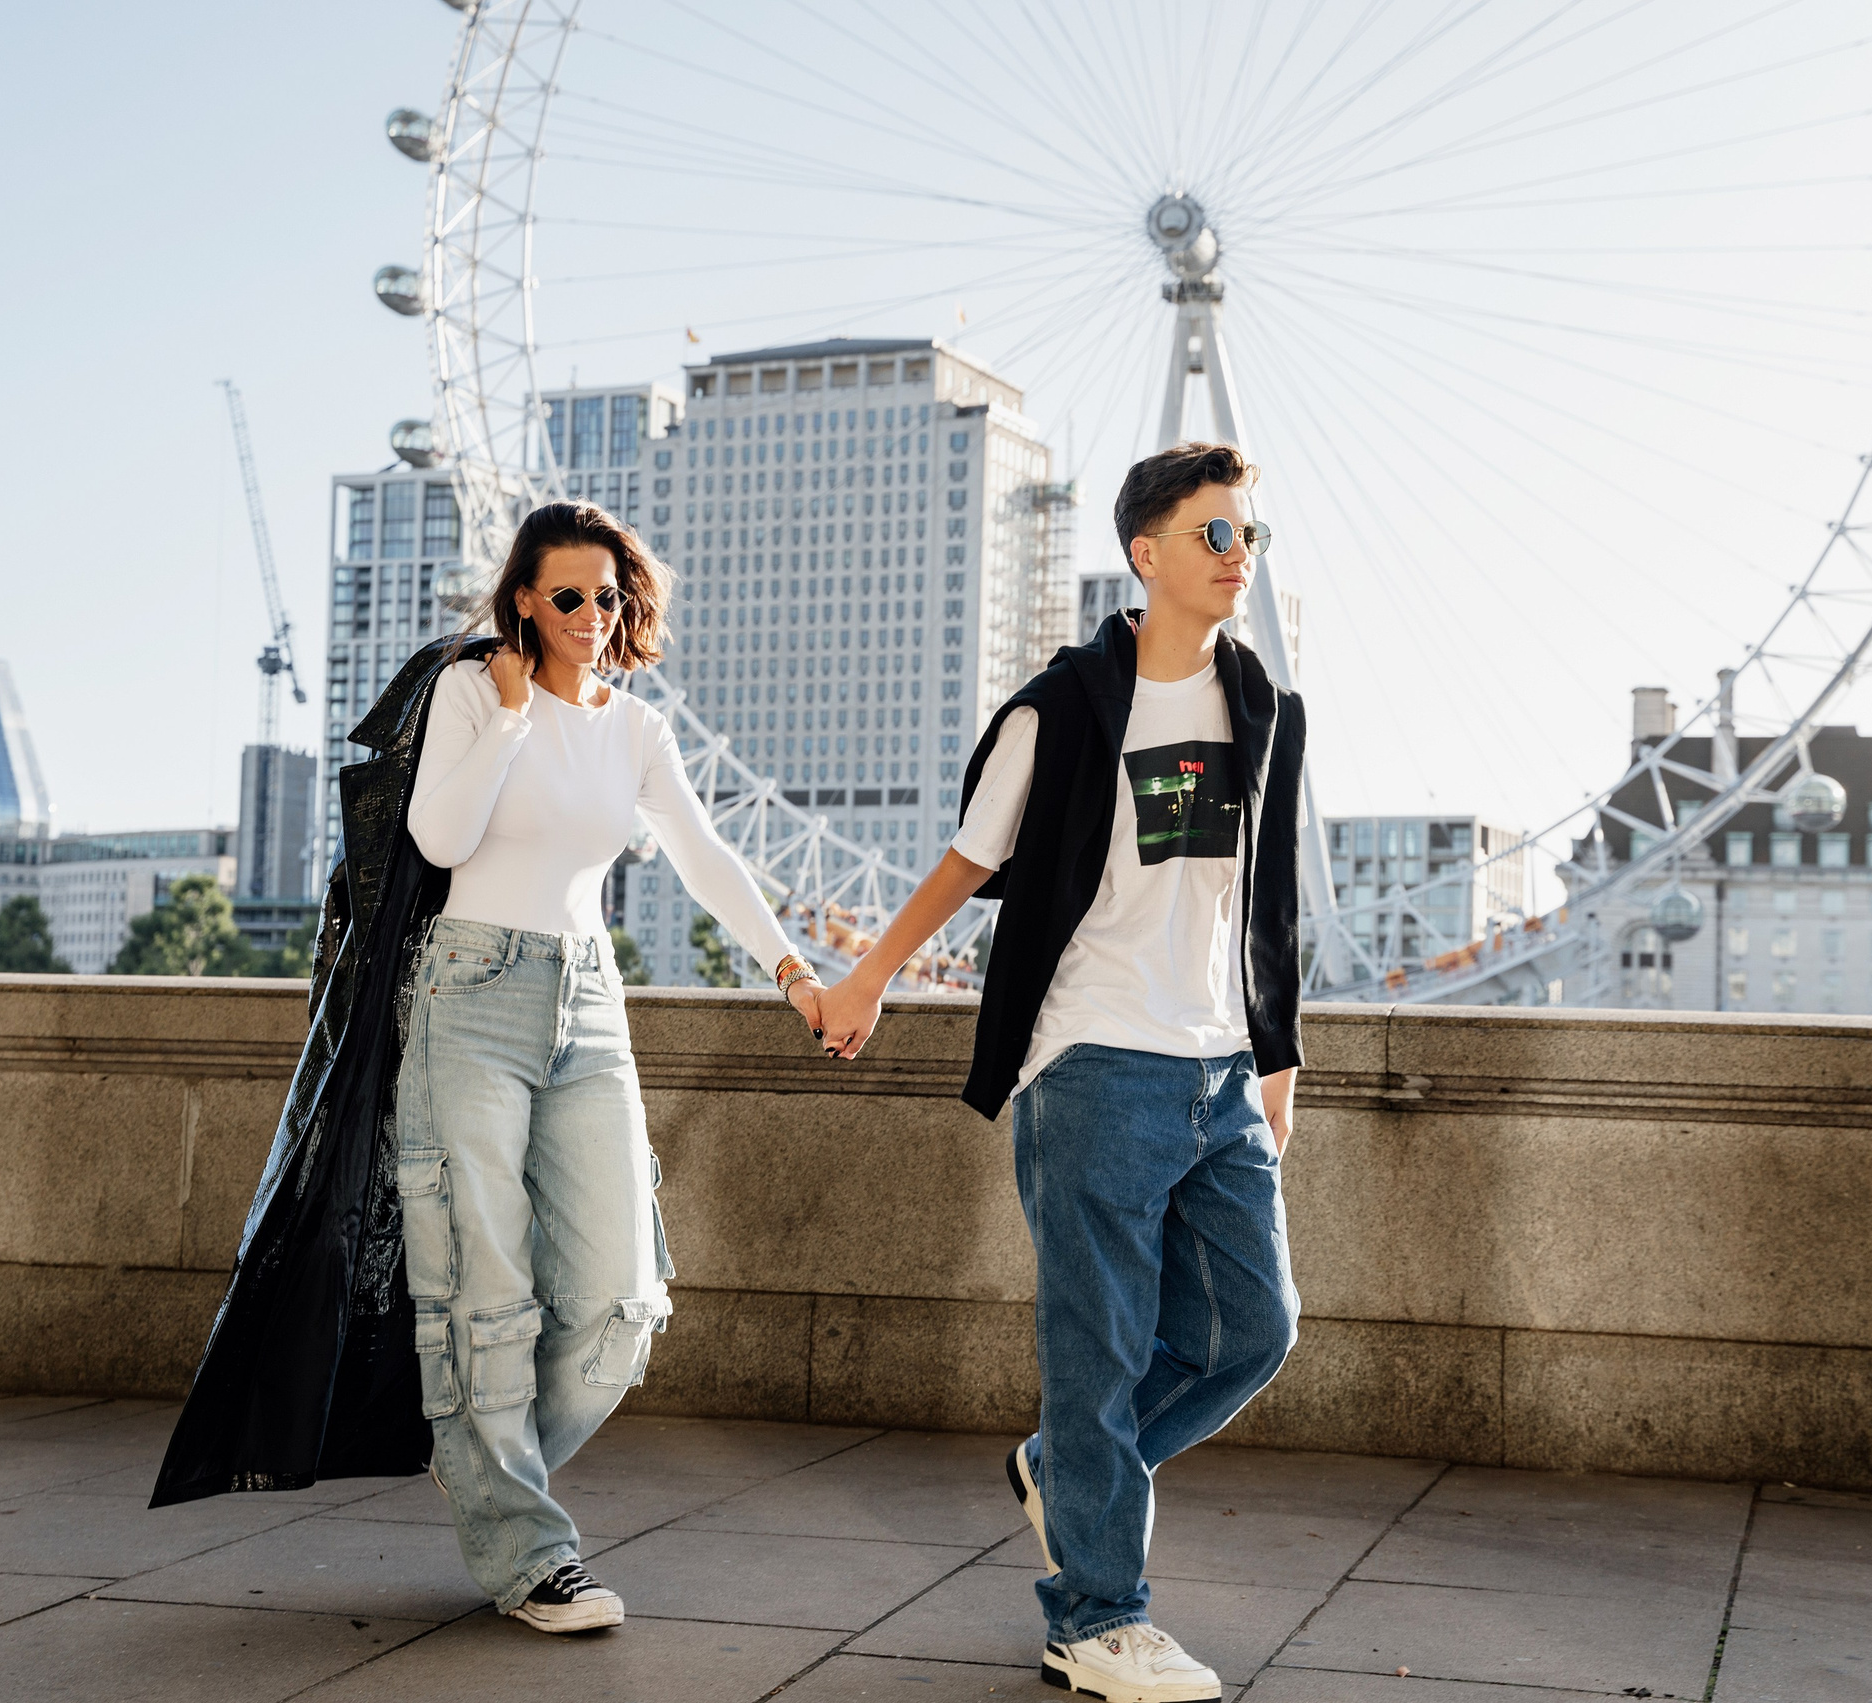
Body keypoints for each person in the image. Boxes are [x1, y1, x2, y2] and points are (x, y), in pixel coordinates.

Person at [815, 443, 1304, 1703]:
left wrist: (1278, 1057)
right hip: (1091, 1059)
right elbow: (970, 860)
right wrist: (868, 974)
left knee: (1255, 1328)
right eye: (1212, 534)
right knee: (1098, 1349)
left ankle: (1067, 1469)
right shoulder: (1064, 704)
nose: (1236, 553)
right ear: (1145, 554)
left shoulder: (1263, 704)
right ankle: (1093, 1616)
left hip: (1215, 1069)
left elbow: (1270, 900)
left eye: (1246, 533)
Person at [397, 501, 827, 1631]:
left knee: (622, 1299)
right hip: (471, 991)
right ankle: (532, 1551)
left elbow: (703, 852)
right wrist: (502, 721)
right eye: (571, 596)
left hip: (588, 1000)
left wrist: (793, 972)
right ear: (526, 602)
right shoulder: (470, 695)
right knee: (487, 1285)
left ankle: (490, 1472)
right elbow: (441, 842)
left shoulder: (635, 728)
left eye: (612, 595)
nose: (596, 615)